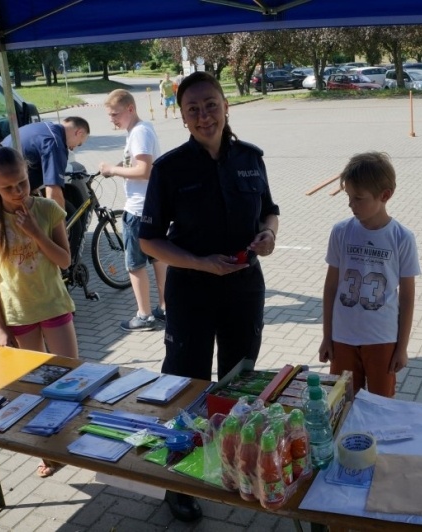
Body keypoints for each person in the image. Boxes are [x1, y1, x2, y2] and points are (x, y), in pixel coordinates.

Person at [138, 71, 279, 522]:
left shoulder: (250, 158)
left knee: (239, 380)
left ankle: (237, 465)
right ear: (182, 117)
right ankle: (177, 481)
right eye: (193, 109)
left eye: (210, 104)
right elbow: (149, 241)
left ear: (225, 106)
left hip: (243, 289)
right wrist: (201, 263)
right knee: (186, 384)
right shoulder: (170, 168)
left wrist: (269, 235)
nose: (204, 115)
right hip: (192, 293)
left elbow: (270, 211)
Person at [0, 146, 78, 479]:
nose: (18, 192)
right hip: (19, 314)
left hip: (54, 306)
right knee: (35, 387)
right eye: (9, 187)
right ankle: (47, 450)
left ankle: (73, 441)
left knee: (69, 381)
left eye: (23, 183)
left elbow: (64, 261)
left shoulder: (46, 209)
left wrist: (35, 232)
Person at [318, 152, 421, 398]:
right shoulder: (341, 232)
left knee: (380, 405)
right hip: (343, 336)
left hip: (381, 338)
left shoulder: (402, 238)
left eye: (358, 198)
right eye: (349, 197)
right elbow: (331, 286)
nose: (351, 204)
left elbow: (407, 296)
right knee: (342, 404)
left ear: (385, 195)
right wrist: (327, 336)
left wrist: (402, 347)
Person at [98, 89, 167, 332]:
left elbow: (144, 170)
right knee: (158, 258)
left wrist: (114, 170)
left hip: (138, 209)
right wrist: (114, 167)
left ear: (130, 109)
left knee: (135, 264)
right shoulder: (139, 130)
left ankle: (144, 315)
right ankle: (164, 308)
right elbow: (135, 163)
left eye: (115, 114)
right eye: (109, 115)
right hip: (150, 207)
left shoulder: (139, 133)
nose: (112, 119)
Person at [0, 116, 90, 210]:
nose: (73, 148)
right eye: (79, 143)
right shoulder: (55, 143)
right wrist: (60, 227)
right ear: (79, 133)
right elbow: (53, 190)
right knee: (7, 233)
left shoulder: (44, 127)